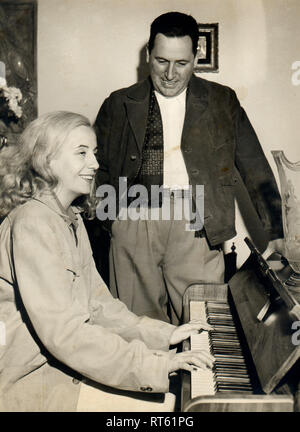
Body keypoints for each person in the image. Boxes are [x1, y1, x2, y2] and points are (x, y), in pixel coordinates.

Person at [0, 111, 214, 412]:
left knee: (169, 400)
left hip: (65, 369)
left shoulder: (68, 217)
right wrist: (157, 364)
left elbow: (100, 307)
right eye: (81, 153)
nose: (96, 164)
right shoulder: (34, 222)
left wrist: (166, 335)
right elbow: (66, 333)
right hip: (33, 382)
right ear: (47, 160)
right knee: (166, 408)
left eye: (95, 153)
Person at [94, 11, 284, 325]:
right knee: (137, 328)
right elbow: (98, 169)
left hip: (197, 220)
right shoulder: (118, 103)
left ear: (195, 57)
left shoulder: (223, 101)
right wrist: (109, 221)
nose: (170, 74)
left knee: (203, 322)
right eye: (161, 61)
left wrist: (276, 230)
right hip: (132, 216)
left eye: (181, 63)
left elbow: (255, 167)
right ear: (148, 56)